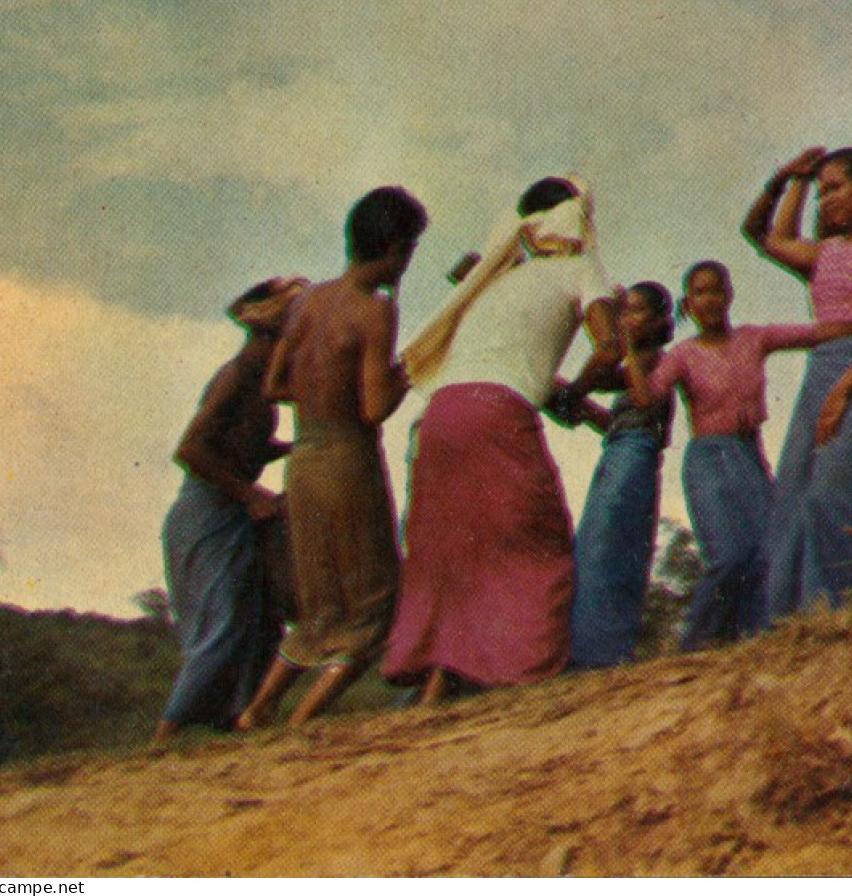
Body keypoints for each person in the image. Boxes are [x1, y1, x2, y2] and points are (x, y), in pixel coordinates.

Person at [382, 174, 620, 703]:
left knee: (454, 554)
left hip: (440, 414)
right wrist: (580, 393)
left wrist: (568, 403)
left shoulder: (493, 279)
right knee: (541, 545)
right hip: (498, 415)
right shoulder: (582, 269)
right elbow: (609, 349)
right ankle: (524, 678)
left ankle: (438, 681)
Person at [235, 186, 428, 730]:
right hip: (348, 461)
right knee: (370, 601)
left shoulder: (310, 301)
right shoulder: (375, 312)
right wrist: (408, 371)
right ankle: (306, 717)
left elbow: (275, 385)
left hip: (305, 458)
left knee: (318, 606)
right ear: (395, 248)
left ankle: (258, 710)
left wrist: (320, 395)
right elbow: (373, 408)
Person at [623, 261, 852, 649]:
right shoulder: (683, 354)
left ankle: (753, 644)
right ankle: (695, 646)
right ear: (688, 304)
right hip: (708, 459)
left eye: (716, 290)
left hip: (749, 455)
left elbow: (813, 333)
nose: (709, 300)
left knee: (768, 553)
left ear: (729, 294)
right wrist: (626, 348)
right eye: (699, 293)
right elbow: (644, 397)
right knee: (729, 555)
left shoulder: (754, 338)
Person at [743, 145, 852, 617]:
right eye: (821, 192)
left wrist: (843, 390)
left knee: (837, 486)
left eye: (834, 188)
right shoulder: (823, 254)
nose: (825, 201)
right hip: (822, 369)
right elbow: (762, 233)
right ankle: (798, 616)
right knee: (795, 491)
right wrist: (791, 178)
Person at [153, 276, 307, 744]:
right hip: (208, 511)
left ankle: (232, 722)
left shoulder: (259, 384)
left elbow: (244, 446)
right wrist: (249, 494)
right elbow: (191, 450)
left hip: (229, 512)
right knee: (222, 624)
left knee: (256, 620)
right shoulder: (236, 377)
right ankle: (166, 734)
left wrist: (295, 450)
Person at [566, 281, 676, 669]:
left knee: (612, 537)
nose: (627, 319)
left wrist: (618, 343)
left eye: (636, 310)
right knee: (595, 540)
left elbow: (642, 412)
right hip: (617, 449)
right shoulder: (635, 365)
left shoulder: (658, 362)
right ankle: (583, 647)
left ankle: (600, 650)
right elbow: (616, 417)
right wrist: (573, 402)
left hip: (635, 452)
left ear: (660, 319)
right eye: (623, 312)